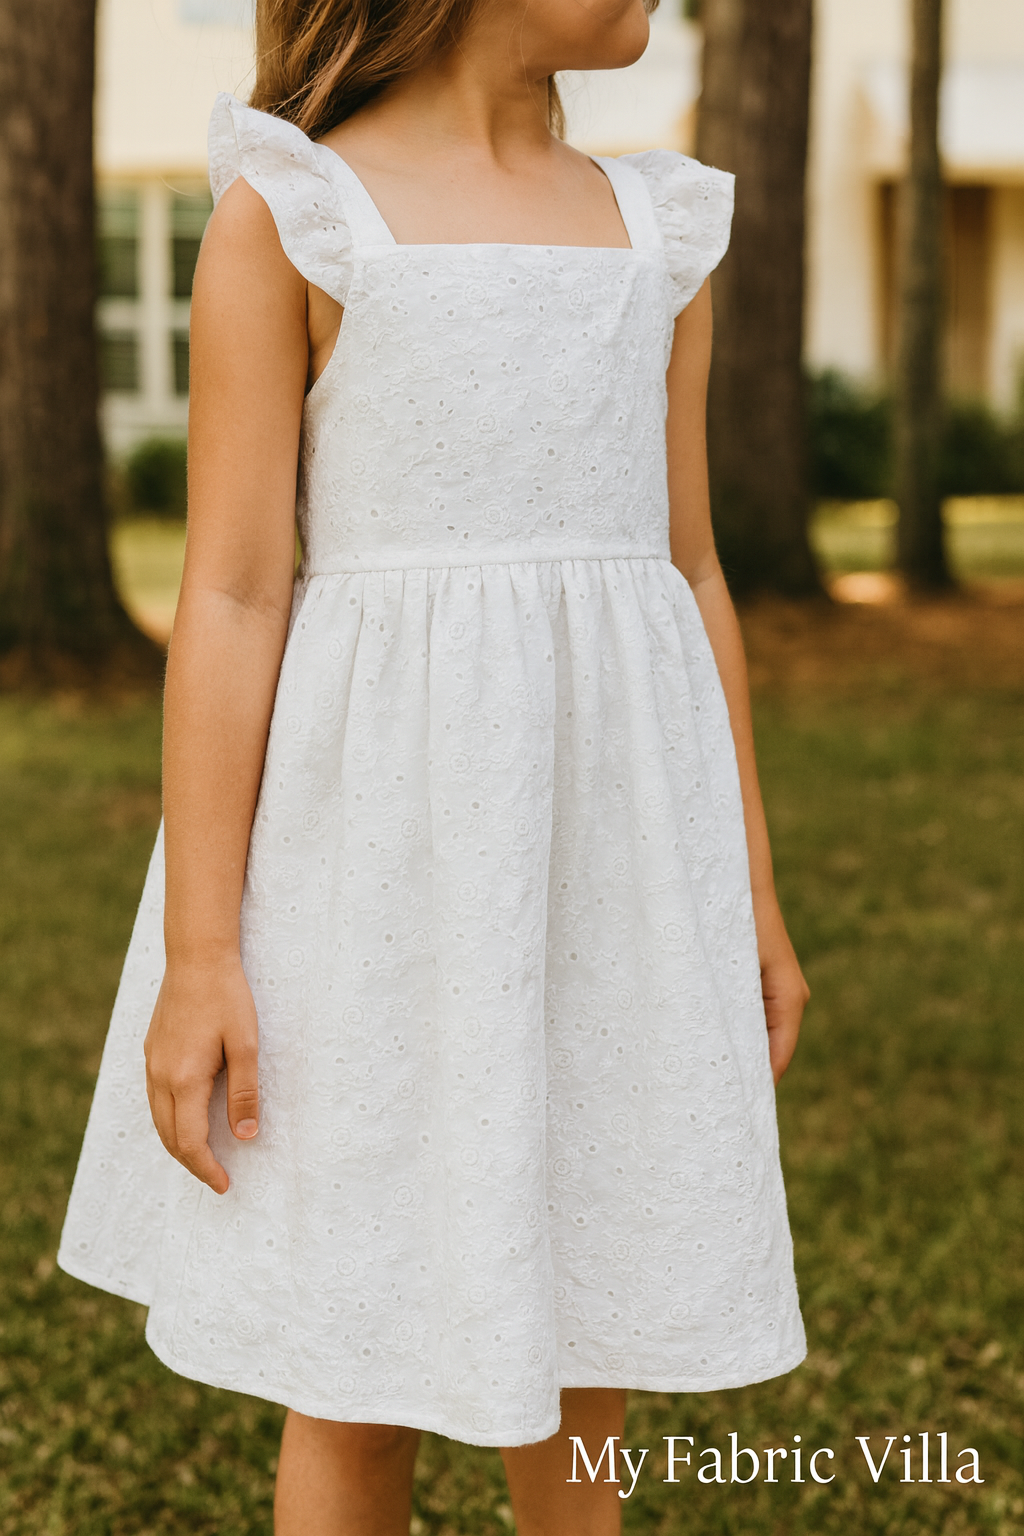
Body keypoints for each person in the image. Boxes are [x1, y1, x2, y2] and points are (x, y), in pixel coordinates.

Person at [59, 1, 809, 1530]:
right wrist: (202, 955)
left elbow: (691, 572)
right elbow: (233, 593)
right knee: (356, 1364)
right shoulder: (299, 216)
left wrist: (755, 892)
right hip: (367, 893)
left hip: (603, 884)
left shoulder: (658, 232)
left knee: (589, 1337)